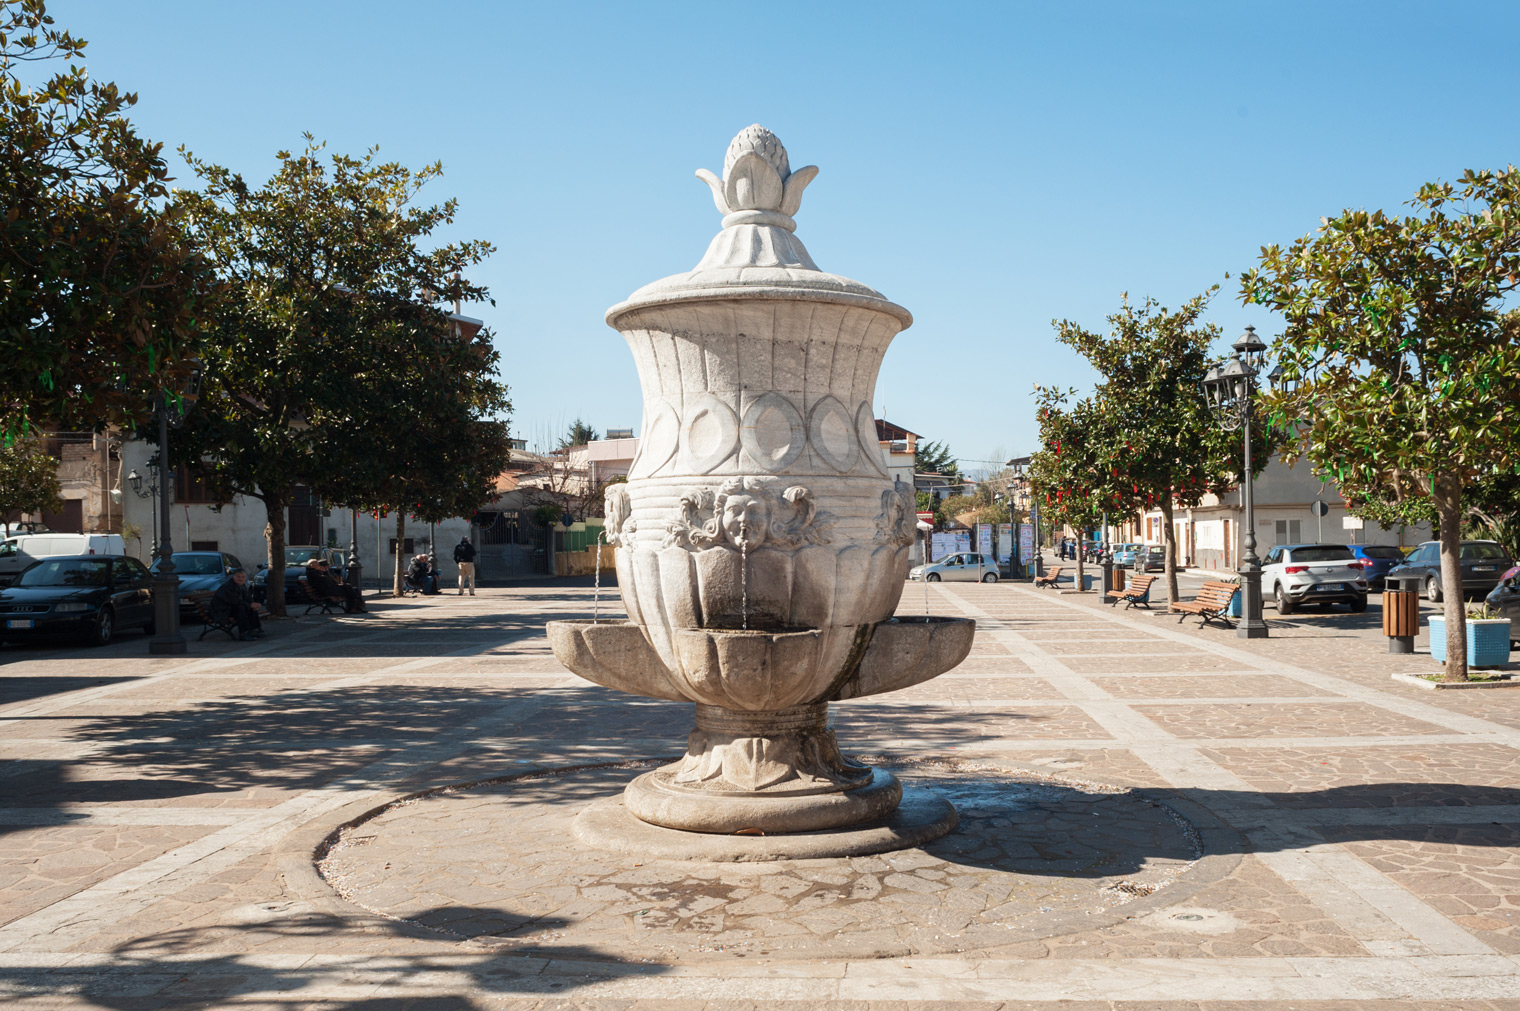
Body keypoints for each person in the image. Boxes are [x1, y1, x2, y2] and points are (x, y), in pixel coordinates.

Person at [210, 568, 264, 640]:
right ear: (234, 577)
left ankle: (253, 630)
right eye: (238, 577)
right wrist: (250, 605)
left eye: (243, 577)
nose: (241, 579)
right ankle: (243, 633)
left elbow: (247, 599)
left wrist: (254, 604)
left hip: (230, 609)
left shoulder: (242, 586)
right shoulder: (229, 586)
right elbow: (234, 601)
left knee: (249, 607)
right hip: (222, 611)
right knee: (241, 608)